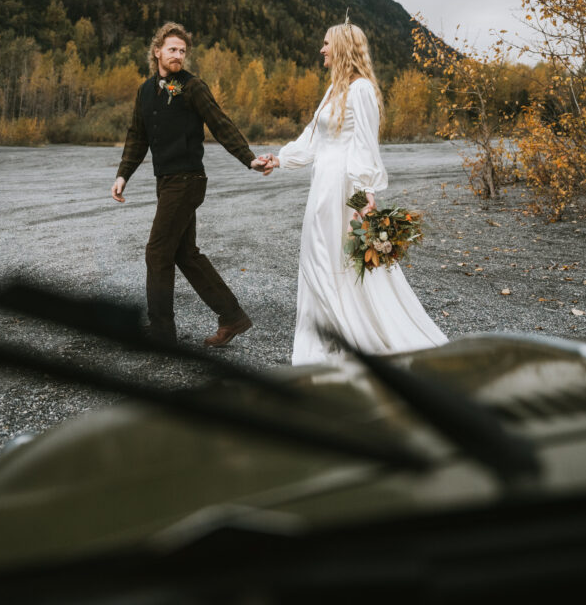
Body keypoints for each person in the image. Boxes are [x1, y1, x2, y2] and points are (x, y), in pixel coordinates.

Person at [260, 20, 447, 365]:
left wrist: (363, 199)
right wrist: (280, 159)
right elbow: (312, 138)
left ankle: (352, 336)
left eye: (327, 43)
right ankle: (326, 333)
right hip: (323, 187)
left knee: (337, 258)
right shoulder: (334, 90)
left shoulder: (361, 90)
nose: (322, 49)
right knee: (317, 258)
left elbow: (364, 149)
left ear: (343, 48)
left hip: (344, 189)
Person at [112, 22, 263, 347]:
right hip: (166, 182)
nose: (178, 55)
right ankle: (232, 316)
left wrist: (248, 158)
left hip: (188, 180)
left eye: (182, 51)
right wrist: (123, 174)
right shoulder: (145, 91)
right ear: (157, 52)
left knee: (156, 252)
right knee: (185, 253)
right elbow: (137, 137)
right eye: (172, 50)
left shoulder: (193, 87)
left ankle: (162, 333)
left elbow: (220, 123)